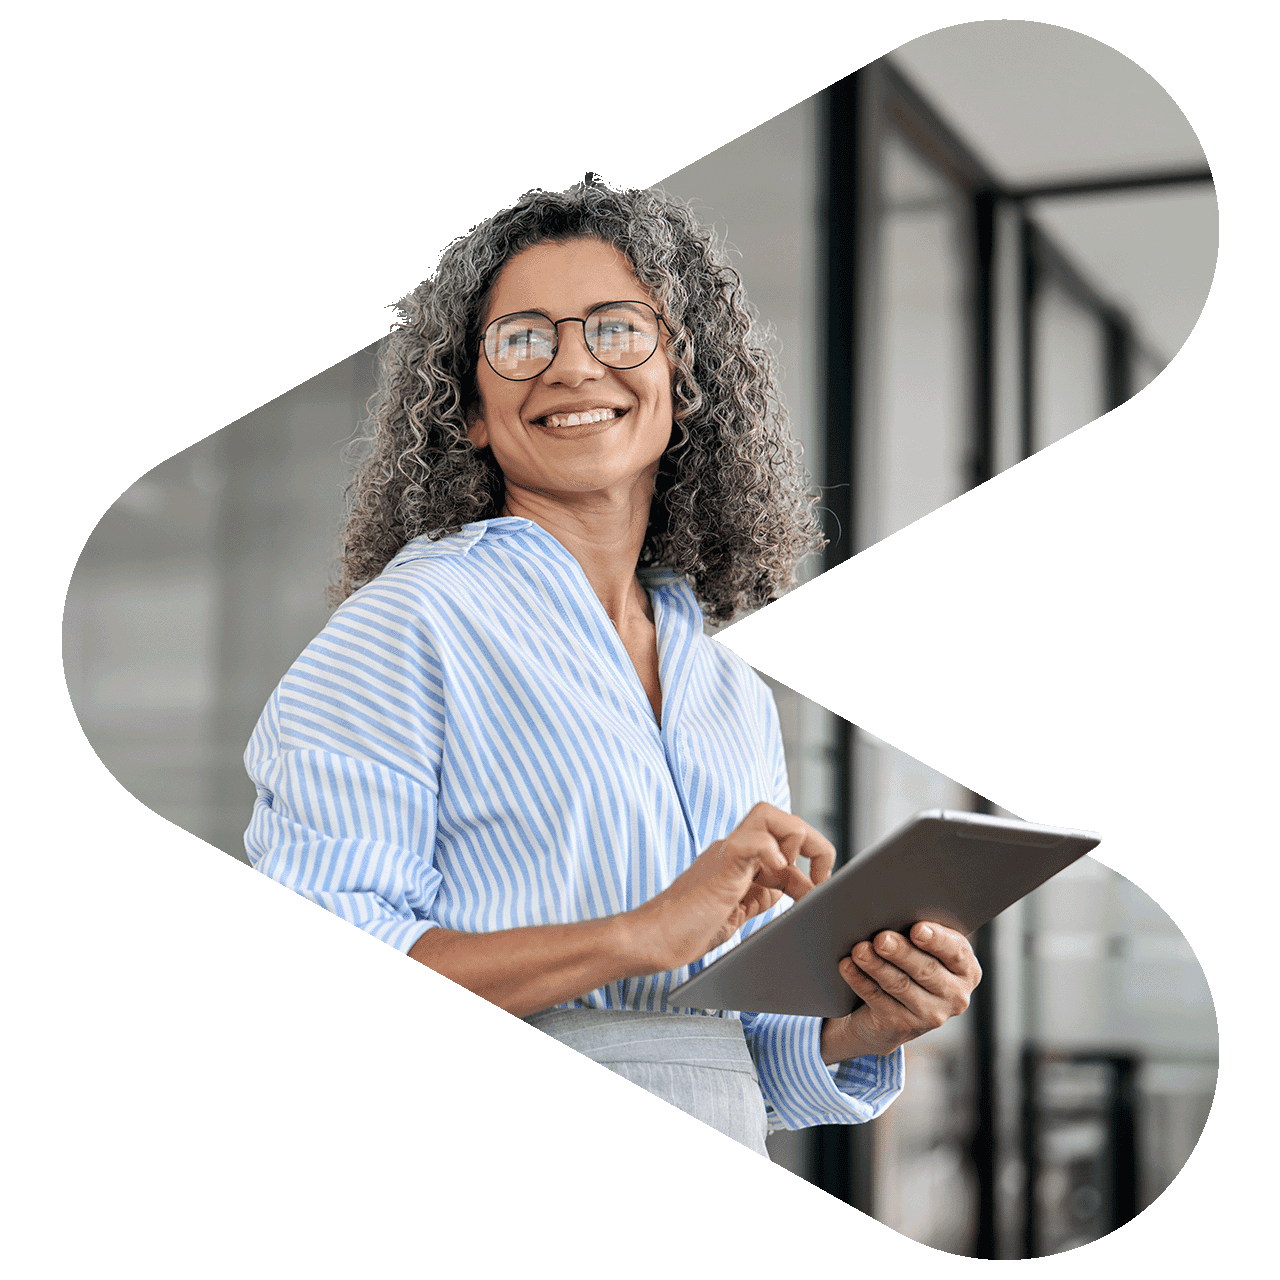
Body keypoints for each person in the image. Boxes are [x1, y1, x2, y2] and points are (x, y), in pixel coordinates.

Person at [244, 181, 981, 1158]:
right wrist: (639, 931)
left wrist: (864, 1024)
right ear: (467, 408)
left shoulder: (725, 689)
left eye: (617, 328)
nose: (572, 364)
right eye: (522, 339)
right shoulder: (409, 624)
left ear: (683, 381)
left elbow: (719, 1057)